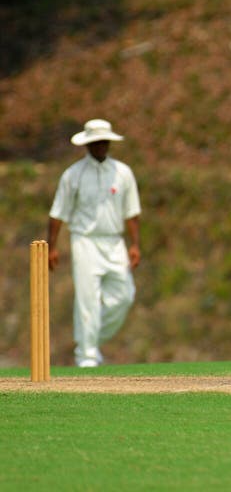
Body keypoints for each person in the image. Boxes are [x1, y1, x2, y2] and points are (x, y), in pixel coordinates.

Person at [47, 119, 142, 368]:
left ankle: (89, 341)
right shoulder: (73, 175)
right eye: (95, 142)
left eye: (103, 142)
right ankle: (87, 357)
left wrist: (135, 245)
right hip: (84, 241)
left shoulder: (123, 173)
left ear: (109, 143)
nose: (100, 146)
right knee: (87, 299)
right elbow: (58, 213)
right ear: (87, 145)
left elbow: (132, 213)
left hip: (113, 241)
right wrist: (52, 247)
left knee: (124, 296)